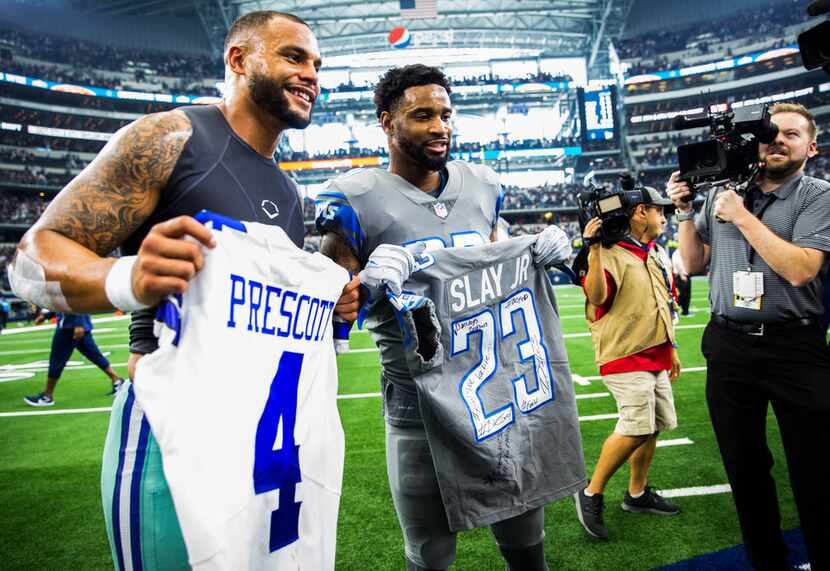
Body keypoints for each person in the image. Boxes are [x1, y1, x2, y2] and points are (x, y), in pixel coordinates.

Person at [8, 11, 359, 570]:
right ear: (239, 60)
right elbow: (29, 259)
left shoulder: (289, 194)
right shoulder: (170, 138)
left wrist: (328, 303)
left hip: (258, 441)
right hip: (168, 432)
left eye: (318, 64)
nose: (312, 73)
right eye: (294, 56)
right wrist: (127, 278)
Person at [315, 64, 572, 571]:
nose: (440, 127)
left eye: (446, 114)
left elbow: (494, 267)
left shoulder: (482, 185)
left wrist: (534, 254)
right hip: (417, 403)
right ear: (387, 122)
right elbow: (326, 319)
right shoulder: (354, 199)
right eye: (422, 115)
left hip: (495, 394)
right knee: (430, 556)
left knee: (527, 543)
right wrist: (365, 285)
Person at [667, 102, 830, 570]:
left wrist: (740, 216)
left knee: (814, 467)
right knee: (744, 467)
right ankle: (766, 560)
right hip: (729, 343)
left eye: (792, 135)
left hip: (794, 345)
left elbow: (801, 270)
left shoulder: (817, 195)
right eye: (770, 133)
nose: (778, 140)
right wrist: (683, 211)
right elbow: (694, 263)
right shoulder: (723, 190)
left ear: (811, 146)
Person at [574, 186, 682, 541]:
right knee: (636, 426)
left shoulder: (649, 251)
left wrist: (672, 347)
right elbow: (598, 296)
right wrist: (591, 247)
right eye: (658, 211)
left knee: (653, 425)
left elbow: (659, 301)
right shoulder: (609, 250)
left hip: (655, 352)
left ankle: (636, 494)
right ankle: (591, 492)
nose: (663, 217)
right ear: (639, 212)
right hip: (625, 354)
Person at [23, 312, 124, 406]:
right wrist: (47, 315)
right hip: (77, 323)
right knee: (94, 355)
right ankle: (117, 380)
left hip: (70, 326)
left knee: (57, 360)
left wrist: (78, 324)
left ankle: (47, 396)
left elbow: (74, 300)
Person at [671, 246, 692, 315]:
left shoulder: (681, 252)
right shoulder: (677, 253)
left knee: (686, 295)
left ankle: (685, 311)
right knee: (682, 295)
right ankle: (674, 310)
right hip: (681, 276)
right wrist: (682, 274)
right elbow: (677, 264)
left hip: (684, 275)